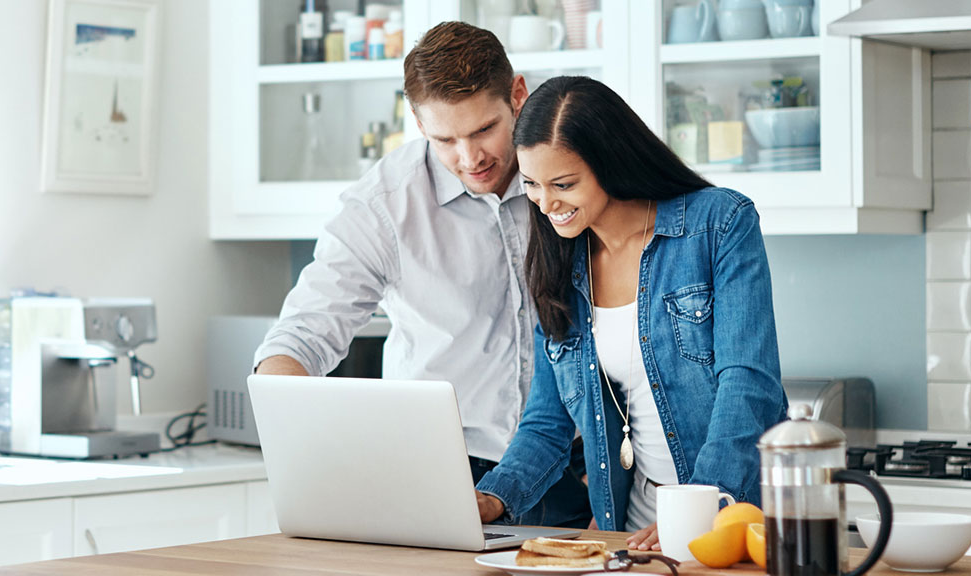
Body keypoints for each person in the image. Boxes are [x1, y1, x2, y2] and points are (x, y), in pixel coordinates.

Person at [252, 23, 591, 529]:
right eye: (445, 139)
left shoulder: (569, 177)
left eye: (483, 130)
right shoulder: (384, 206)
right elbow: (303, 335)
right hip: (447, 473)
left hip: (579, 465)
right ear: (416, 120)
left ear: (517, 95)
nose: (469, 158)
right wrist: (299, 444)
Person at [473, 76, 786, 548]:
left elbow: (748, 384)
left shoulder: (718, 225)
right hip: (629, 537)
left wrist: (699, 510)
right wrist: (490, 498)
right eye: (533, 184)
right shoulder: (558, 266)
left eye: (564, 184)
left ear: (611, 162)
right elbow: (546, 422)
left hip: (729, 524)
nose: (545, 203)